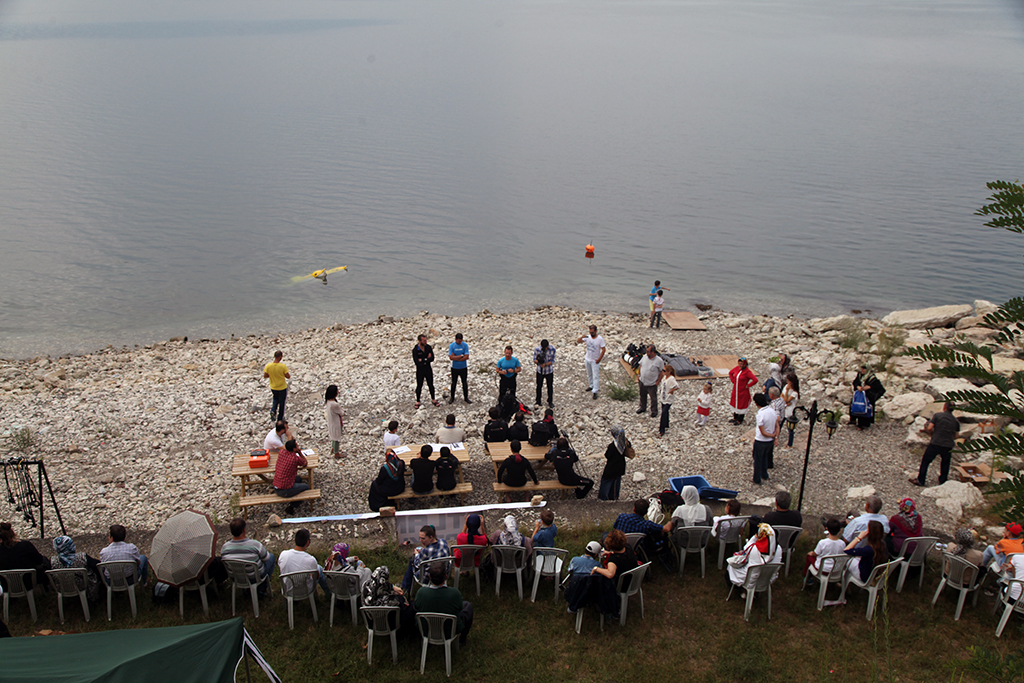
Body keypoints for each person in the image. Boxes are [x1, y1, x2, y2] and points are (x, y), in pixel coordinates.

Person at [414, 563, 474, 646]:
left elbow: (416, 607)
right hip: (450, 631)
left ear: (429, 577)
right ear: (446, 577)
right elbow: (460, 608)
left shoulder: (421, 593)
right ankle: (462, 639)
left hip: (427, 630)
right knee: (467, 606)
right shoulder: (454, 594)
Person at [590, 529, 639, 620]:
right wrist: (610, 553)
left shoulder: (613, 560)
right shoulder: (628, 548)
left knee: (599, 580)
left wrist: (596, 569)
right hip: (634, 579)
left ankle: (606, 608)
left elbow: (610, 574)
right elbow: (620, 554)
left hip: (622, 585)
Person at [221, 517, 276, 596]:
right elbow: (266, 558)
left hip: (236, 578)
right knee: (271, 557)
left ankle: (245, 590)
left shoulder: (225, 548)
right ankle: (261, 589)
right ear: (244, 530)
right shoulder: (255, 545)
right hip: (254, 577)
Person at [912, 401, 960, 486]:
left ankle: (921, 480)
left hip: (936, 442)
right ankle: (943, 481)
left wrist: (932, 434)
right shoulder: (956, 421)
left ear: (944, 407)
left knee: (926, 461)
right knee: (945, 463)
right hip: (948, 445)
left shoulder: (938, 415)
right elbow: (956, 436)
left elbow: (930, 427)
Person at [727, 523, 782, 588]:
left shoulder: (754, 548)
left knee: (731, 565)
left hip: (749, 579)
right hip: (767, 579)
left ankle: (738, 590)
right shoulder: (779, 549)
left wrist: (755, 537)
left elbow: (746, 548)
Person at [49, 535, 101, 603]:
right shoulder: (82, 557)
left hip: (62, 587)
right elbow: (98, 565)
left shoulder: (53, 561)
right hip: (82, 586)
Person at [400, 525, 451, 593]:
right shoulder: (443, 542)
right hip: (444, 573)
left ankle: (405, 587)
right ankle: (405, 586)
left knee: (412, 561)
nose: (421, 541)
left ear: (431, 537)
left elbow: (417, 564)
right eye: (420, 538)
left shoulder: (425, 552)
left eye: (423, 538)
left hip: (428, 577)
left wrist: (417, 554)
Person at [279, 528, 329, 595]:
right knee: (319, 568)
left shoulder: (283, 554)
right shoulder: (311, 559)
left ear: (295, 540)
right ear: (308, 542)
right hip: (305, 591)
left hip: (288, 590)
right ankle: (329, 594)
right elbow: (316, 576)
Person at [0, 522, 50, 587]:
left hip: (6, 584)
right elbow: (39, 560)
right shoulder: (25, 545)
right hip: (28, 582)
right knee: (44, 561)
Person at [273, 439, 310, 512]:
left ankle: (295, 492)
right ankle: (292, 506)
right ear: (294, 449)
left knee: (298, 479)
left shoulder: (282, 452)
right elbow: (305, 463)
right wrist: (299, 452)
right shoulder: (295, 458)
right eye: (297, 446)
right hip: (284, 490)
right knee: (306, 487)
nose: (298, 447)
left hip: (276, 486)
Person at [598, 427, 631, 501]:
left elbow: (607, 455)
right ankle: (613, 497)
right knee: (616, 483)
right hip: (620, 467)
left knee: (606, 482)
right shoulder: (624, 443)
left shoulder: (613, 446)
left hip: (611, 467)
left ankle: (602, 498)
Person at [752, 393, 778, 485]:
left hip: (761, 440)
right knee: (765, 458)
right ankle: (765, 474)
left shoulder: (760, 414)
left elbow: (762, 432)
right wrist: (775, 436)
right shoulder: (772, 411)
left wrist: (772, 435)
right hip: (769, 442)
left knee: (758, 459)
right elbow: (776, 425)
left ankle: (757, 479)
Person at [576, 325, 606, 400]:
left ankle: (595, 390)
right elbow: (578, 341)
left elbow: (603, 349)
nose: (591, 333)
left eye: (592, 332)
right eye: (590, 332)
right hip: (588, 358)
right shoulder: (587, 337)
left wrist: (599, 359)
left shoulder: (600, 339)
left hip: (595, 360)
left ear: (596, 331)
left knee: (595, 375)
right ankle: (591, 385)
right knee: (589, 373)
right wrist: (581, 337)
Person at [852, 364, 886, 429]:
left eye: (864, 369)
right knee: (856, 407)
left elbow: (881, 389)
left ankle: (863, 425)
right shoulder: (860, 376)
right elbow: (855, 382)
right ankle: (853, 420)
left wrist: (870, 387)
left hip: (868, 397)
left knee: (865, 410)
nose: (862, 370)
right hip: (859, 396)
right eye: (862, 368)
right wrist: (858, 387)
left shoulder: (873, 379)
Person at [636, 345, 664, 418]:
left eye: (648, 352)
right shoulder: (645, 356)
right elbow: (640, 365)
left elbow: (662, 372)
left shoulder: (659, 361)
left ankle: (654, 411)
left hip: (652, 383)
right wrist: (639, 375)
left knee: (653, 398)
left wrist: (658, 381)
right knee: (642, 395)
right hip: (642, 381)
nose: (646, 353)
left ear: (653, 352)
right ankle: (642, 407)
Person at [413, 333, 440, 408]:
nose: (425, 342)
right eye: (424, 340)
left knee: (431, 384)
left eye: (426, 340)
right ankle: (418, 401)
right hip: (420, 370)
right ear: (419, 341)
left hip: (428, 369)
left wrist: (423, 359)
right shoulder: (415, 349)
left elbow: (432, 358)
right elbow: (417, 362)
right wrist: (426, 359)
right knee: (419, 385)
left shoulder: (428, 347)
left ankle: (433, 399)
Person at [728, 357, 758, 424]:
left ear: (745, 364)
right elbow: (730, 373)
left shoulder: (747, 372)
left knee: (742, 404)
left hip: (743, 391)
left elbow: (755, 380)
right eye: (739, 363)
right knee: (735, 403)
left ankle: (740, 420)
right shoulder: (737, 368)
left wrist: (748, 385)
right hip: (736, 390)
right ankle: (735, 417)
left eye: (742, 364)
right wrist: (733, 380)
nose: (740, 365)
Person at [263, 350, 290, 423]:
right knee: (282, 403)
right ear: (280, 357)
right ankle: (280, 419)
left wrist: (271, 375)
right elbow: (288, 376)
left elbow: (265, 375)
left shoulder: (268, 366)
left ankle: (273, 410)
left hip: (273, 387)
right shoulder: (282, 366)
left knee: (275, 399)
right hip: (282, 387)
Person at [448, 333, 471, 404]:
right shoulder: (452, 345)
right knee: (453, 383)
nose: (459, 342)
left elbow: (467, 356)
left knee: (464, 382)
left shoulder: (465, 345)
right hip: (454, 367)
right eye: (458, 341)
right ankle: (452, 397)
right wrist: (461, 356)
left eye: (460, 341)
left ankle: (466, 397)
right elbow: (451, 357)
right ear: (455, 339)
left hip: (463, 367)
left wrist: (456, 357)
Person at [324, 384, 345, 459]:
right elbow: (341, 413)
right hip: (336, 423)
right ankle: (336, 452)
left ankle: (333, 448)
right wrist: (342, 411)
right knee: (337, 437)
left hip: (331, 422)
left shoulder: (328, 402)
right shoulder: (334, 404)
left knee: (333, 436)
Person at [658, 366, 679, 437]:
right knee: (665, 411)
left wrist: (671, 391)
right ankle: (666, 424)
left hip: (668, 399)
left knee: (663, 413)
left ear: (669, 372)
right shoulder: (664, 378)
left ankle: (661, 429)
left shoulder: (671, 379)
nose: (663, 372)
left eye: (664, 370)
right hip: (663, 397)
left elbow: (676, 386)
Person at [534, 339, 556, 408]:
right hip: (540, 371)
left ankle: (550, 401)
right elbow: (534, 359)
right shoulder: (537, 349)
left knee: (549, 386)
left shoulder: (552, 349)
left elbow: (552, 360)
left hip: (549, 371)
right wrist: (538, 361)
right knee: (539, 386)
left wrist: (545, 364)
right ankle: (538, 401)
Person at [781, 373, 800, 449]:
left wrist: (787, 391)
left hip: (790, 412)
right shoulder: (786, 387)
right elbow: (781, 396)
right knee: (779, 424)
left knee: (790, 429)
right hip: (784, 409)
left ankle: (790, 444)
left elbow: (786, 399)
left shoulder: (794, 393)